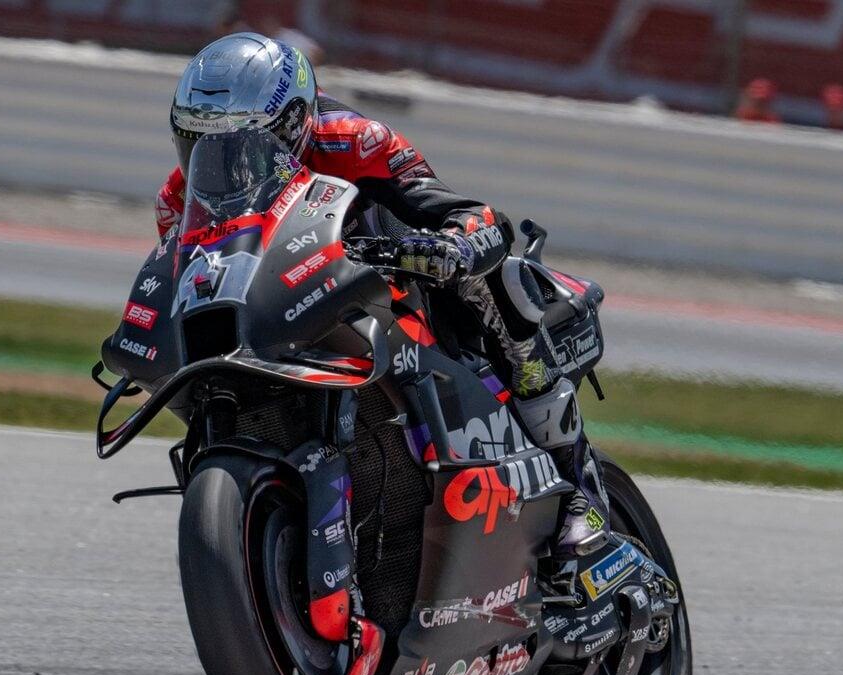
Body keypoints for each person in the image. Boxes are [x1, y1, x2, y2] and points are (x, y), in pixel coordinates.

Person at [156, 32, 608, 557]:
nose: (223, 167)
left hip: (394, 285)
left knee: (501, 278)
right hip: (283, 314)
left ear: (293, 125)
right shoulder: (177, 199)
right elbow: (179, 280)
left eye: (244, 147)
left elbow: (468, 214)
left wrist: (453, 245)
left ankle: (579, 482)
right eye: (200, 145)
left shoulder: (354, 140)